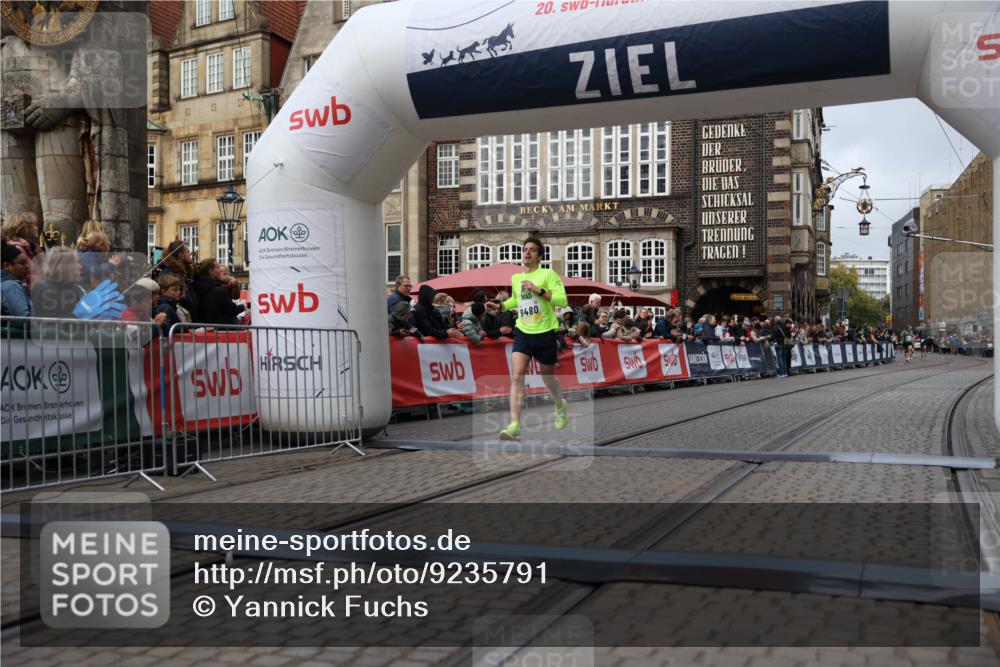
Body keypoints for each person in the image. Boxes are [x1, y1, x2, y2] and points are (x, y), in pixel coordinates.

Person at [497, 237, 569, 440]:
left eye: (532, 250)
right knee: (517, 376)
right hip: (523, 331)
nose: (527, 253)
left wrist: (539, 291)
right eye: (525, 249)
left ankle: (559, 404)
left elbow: (562, 300)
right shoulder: (516, 278)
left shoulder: (547, 274)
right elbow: (516, 300)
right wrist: (502, 306)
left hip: (545, 332)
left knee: (548, 378)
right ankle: (514, 424)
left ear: (540, 256)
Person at [192, 259, 241, 326]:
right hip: (220, 327)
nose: (220, 270)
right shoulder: (217, 290)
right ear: (211, 271)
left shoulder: (195, 284)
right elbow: (232, 310)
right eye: (218, 268)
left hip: (203, 326)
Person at [1, 241, 32, 316]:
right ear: (7, 266)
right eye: (22, 263)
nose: (27, 267)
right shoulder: (11, 286)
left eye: (27, 263)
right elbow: (24, 318)